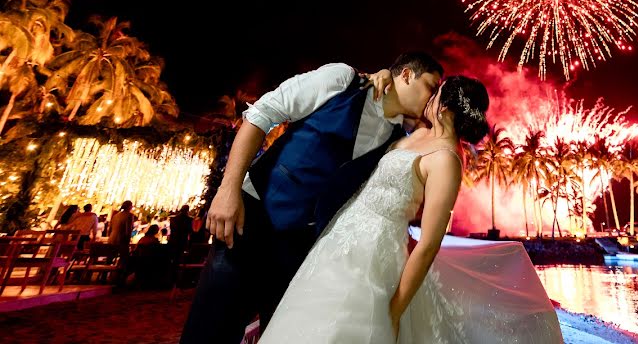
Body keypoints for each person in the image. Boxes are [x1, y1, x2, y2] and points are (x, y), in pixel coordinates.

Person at [260, 75, 564, 343]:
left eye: (436, 93)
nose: (429, 99)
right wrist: (379, 75)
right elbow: (390, 105)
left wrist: (395, 311)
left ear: (444, 107)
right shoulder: (418, 133)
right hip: (341, 236)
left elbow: (430, 243)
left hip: (376, 253)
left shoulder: (446, 160)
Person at [179, 52, 444, 344]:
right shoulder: (342, 80)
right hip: (250, 222)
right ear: (406, 75)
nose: (432, 99)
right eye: (431, 87)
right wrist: (228, 189)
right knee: (208, 331)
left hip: (301, 252)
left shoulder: (396, 135)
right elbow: (262, 114)